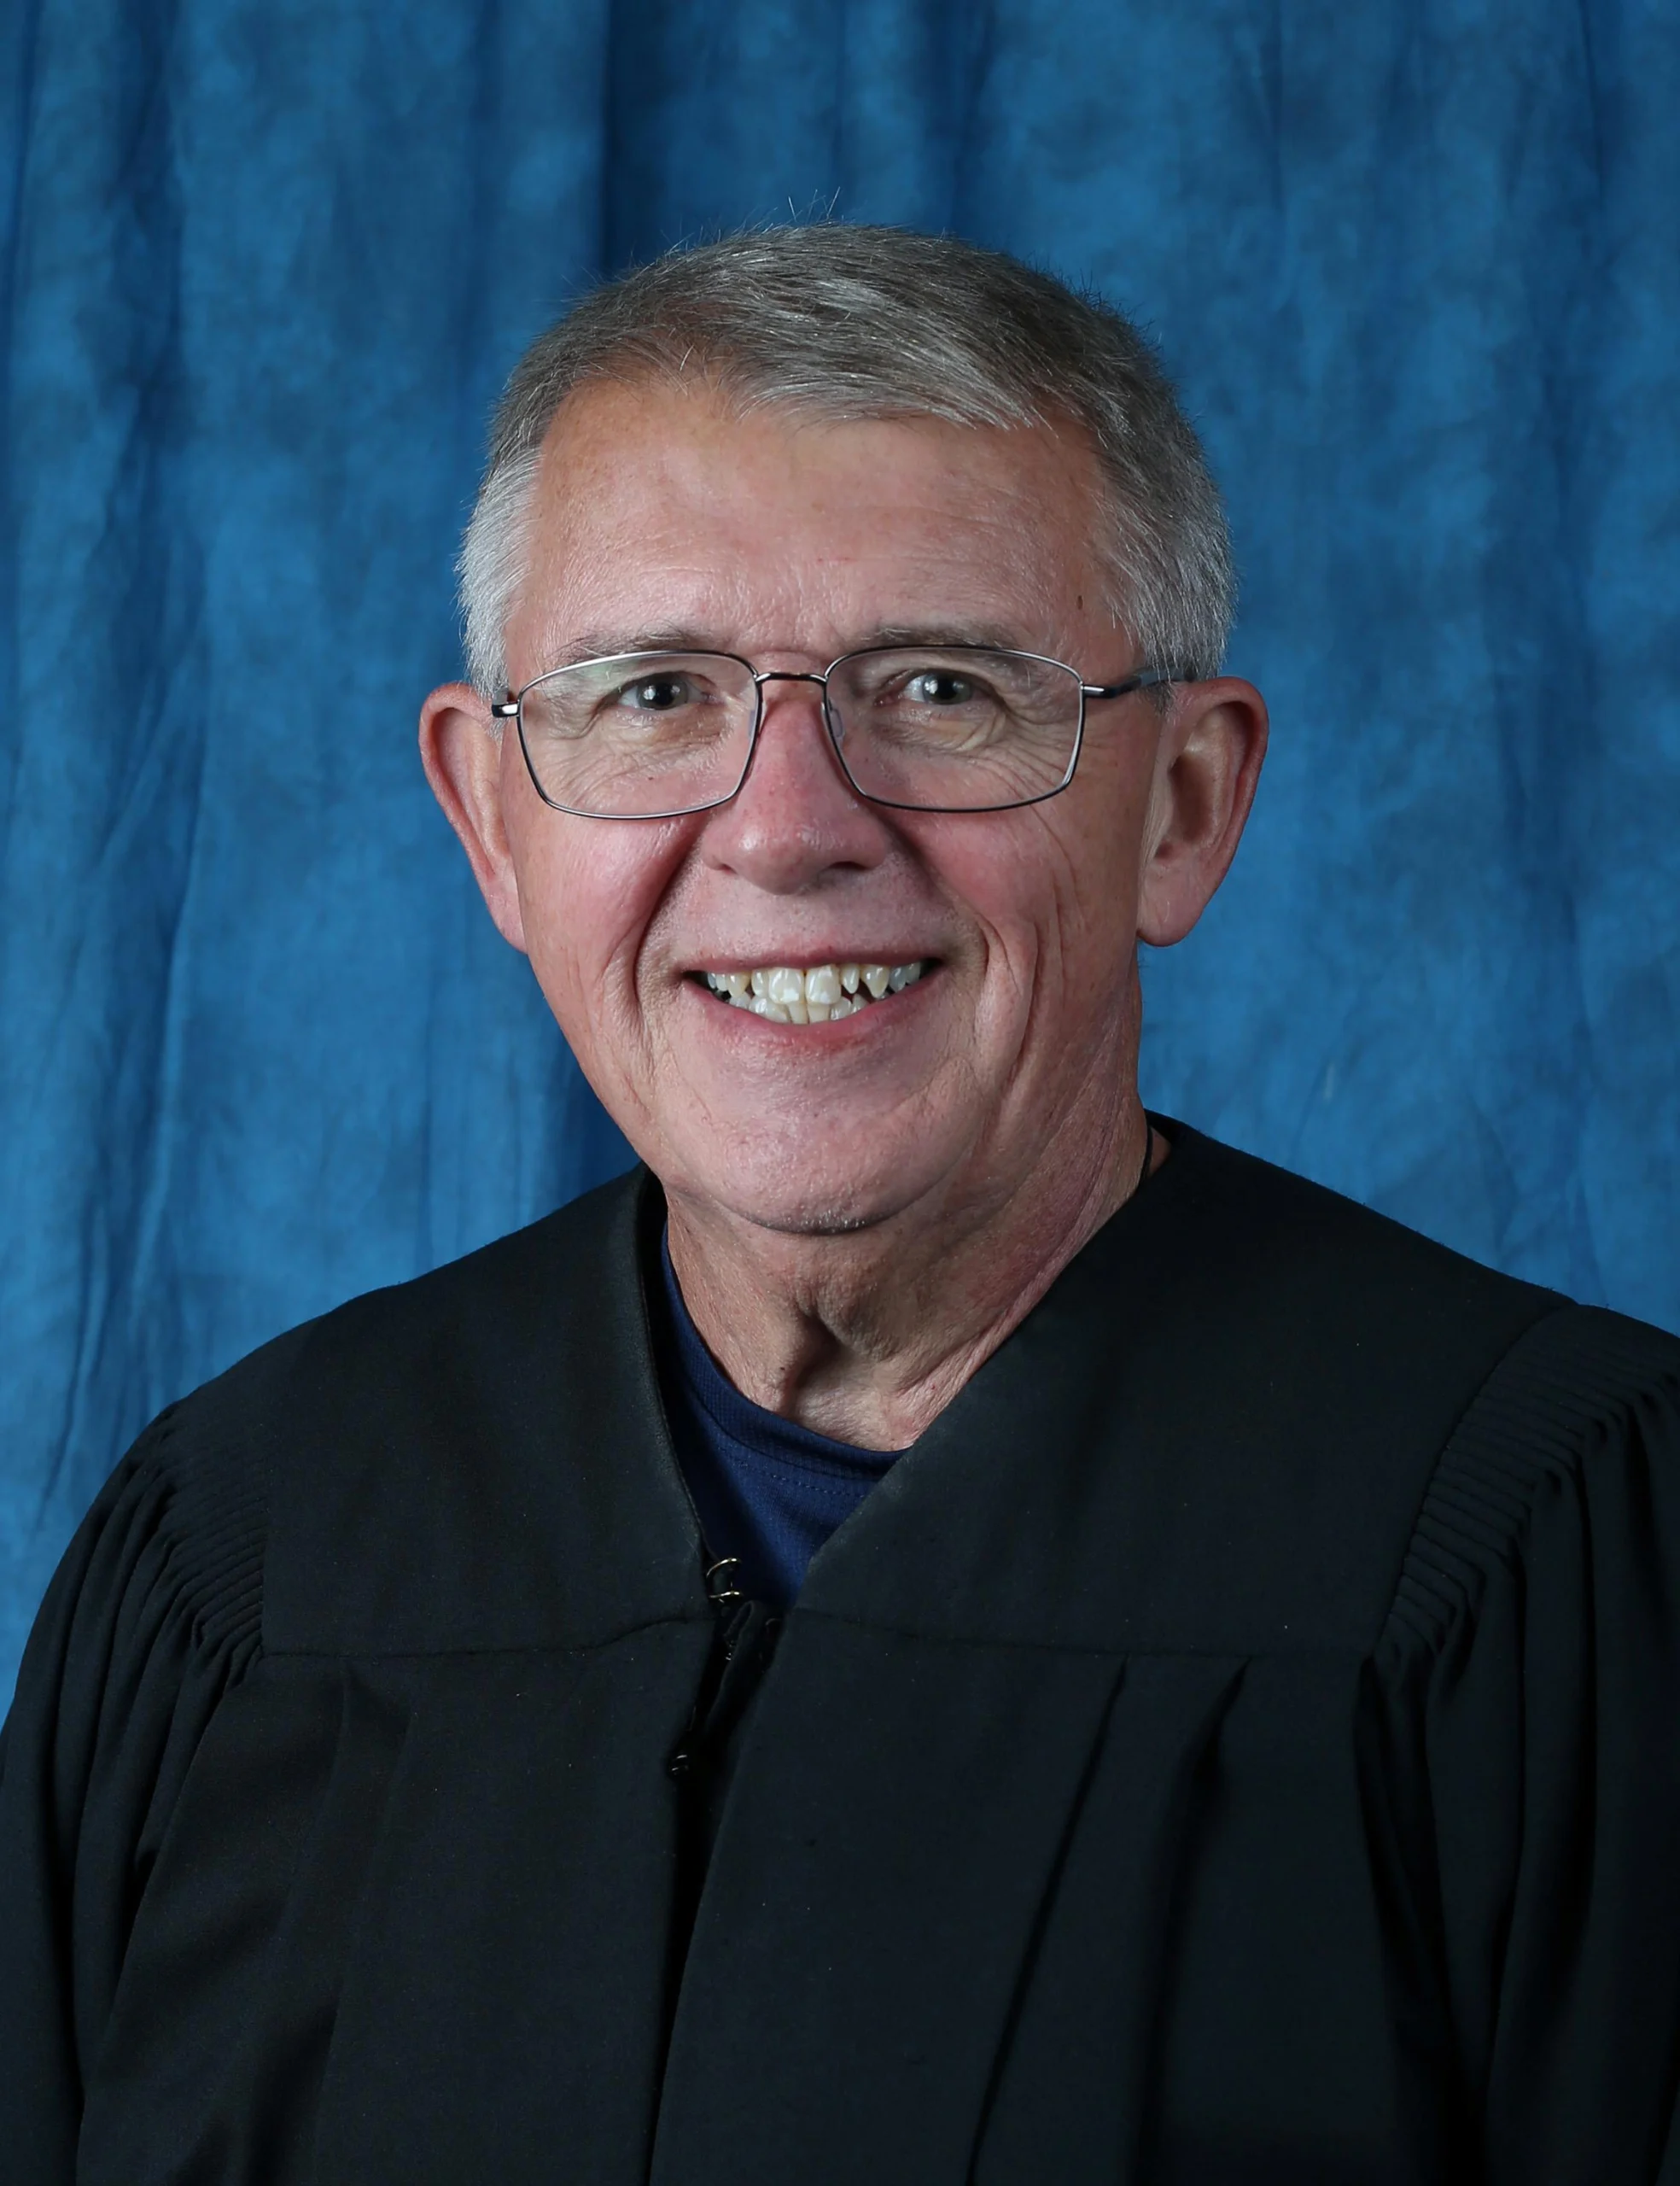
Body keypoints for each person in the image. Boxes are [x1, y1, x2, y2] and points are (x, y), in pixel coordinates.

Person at [3, 224, 1677, 2185]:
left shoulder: (1550, 1567)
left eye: (943, 686)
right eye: (654, 693)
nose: (789, 827)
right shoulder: (241, 1565)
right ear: (493, 822)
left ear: (1183, 804)